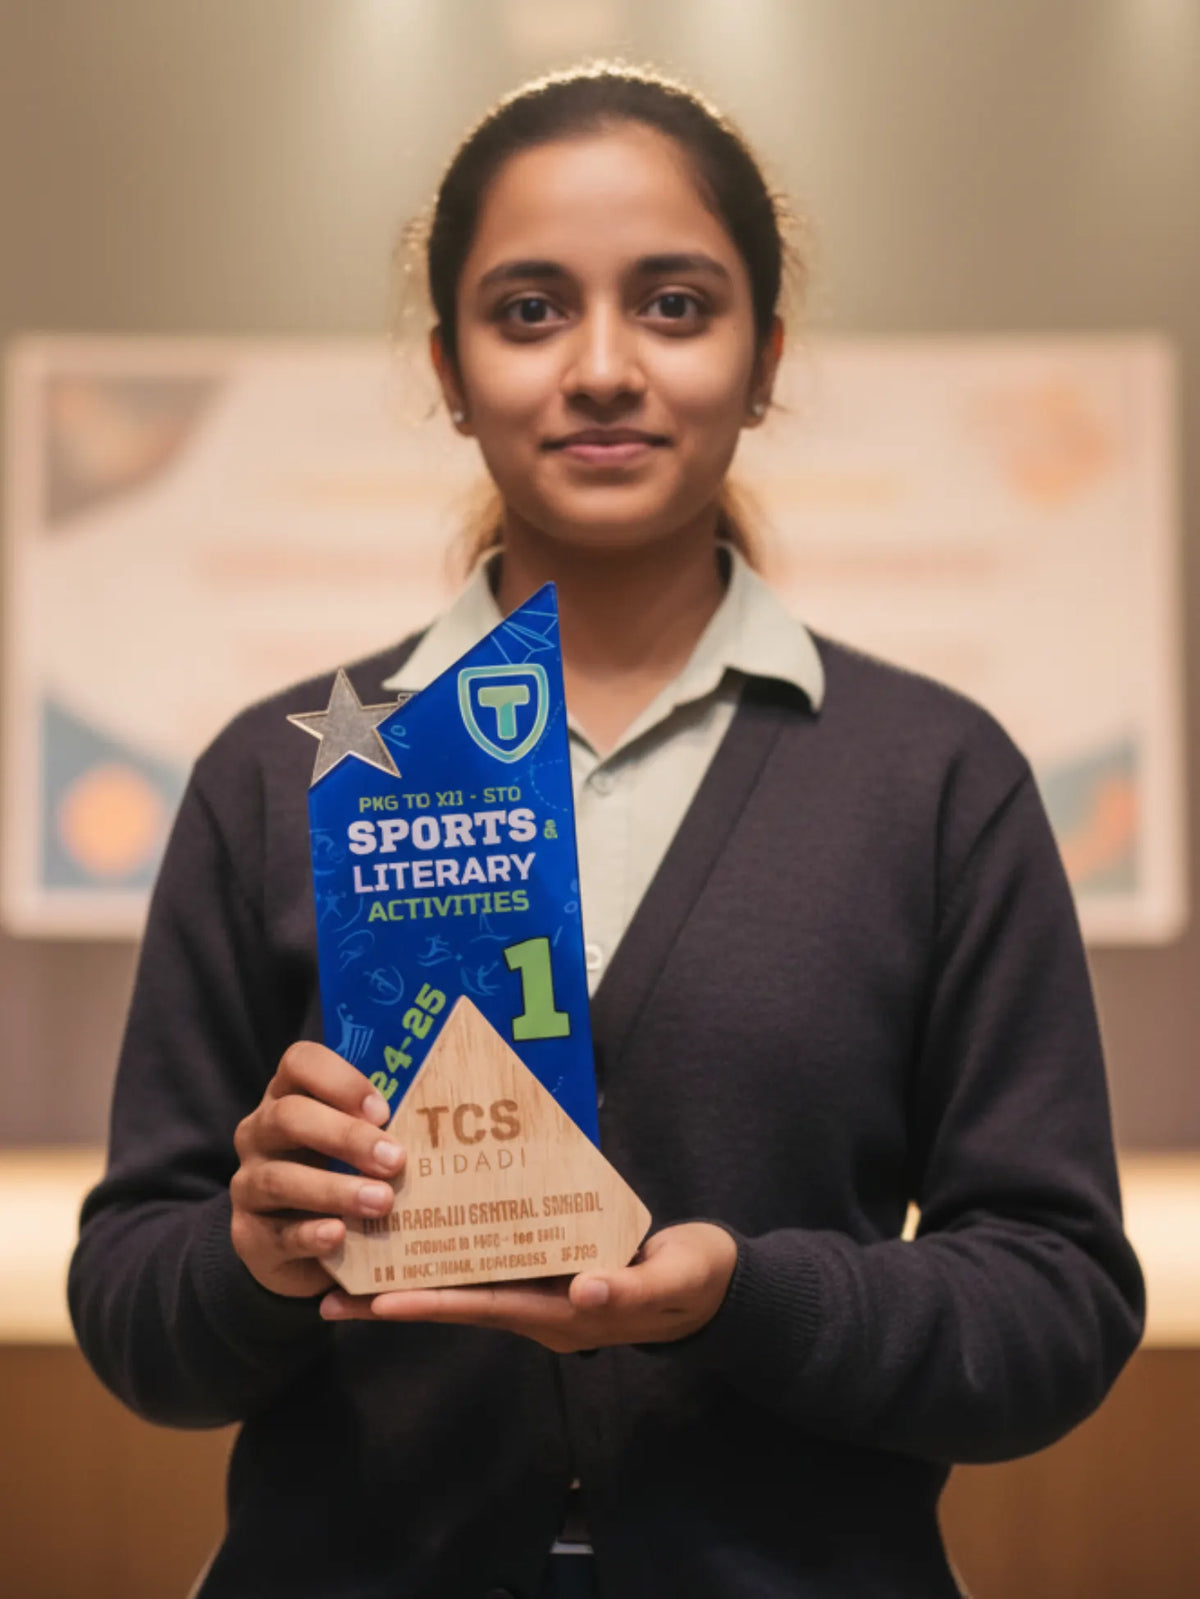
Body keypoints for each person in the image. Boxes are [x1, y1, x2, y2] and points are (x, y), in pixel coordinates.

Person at [69, 64, 1144, 1599]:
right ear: (447, 368)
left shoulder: (936, 781)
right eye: (527, 311)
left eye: (675, 305)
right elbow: (132, 1318)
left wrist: (748, 1300)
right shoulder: (279, 775)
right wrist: (251, 1256)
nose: (601, 368)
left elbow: (1057, 1307)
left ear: (764, 358)